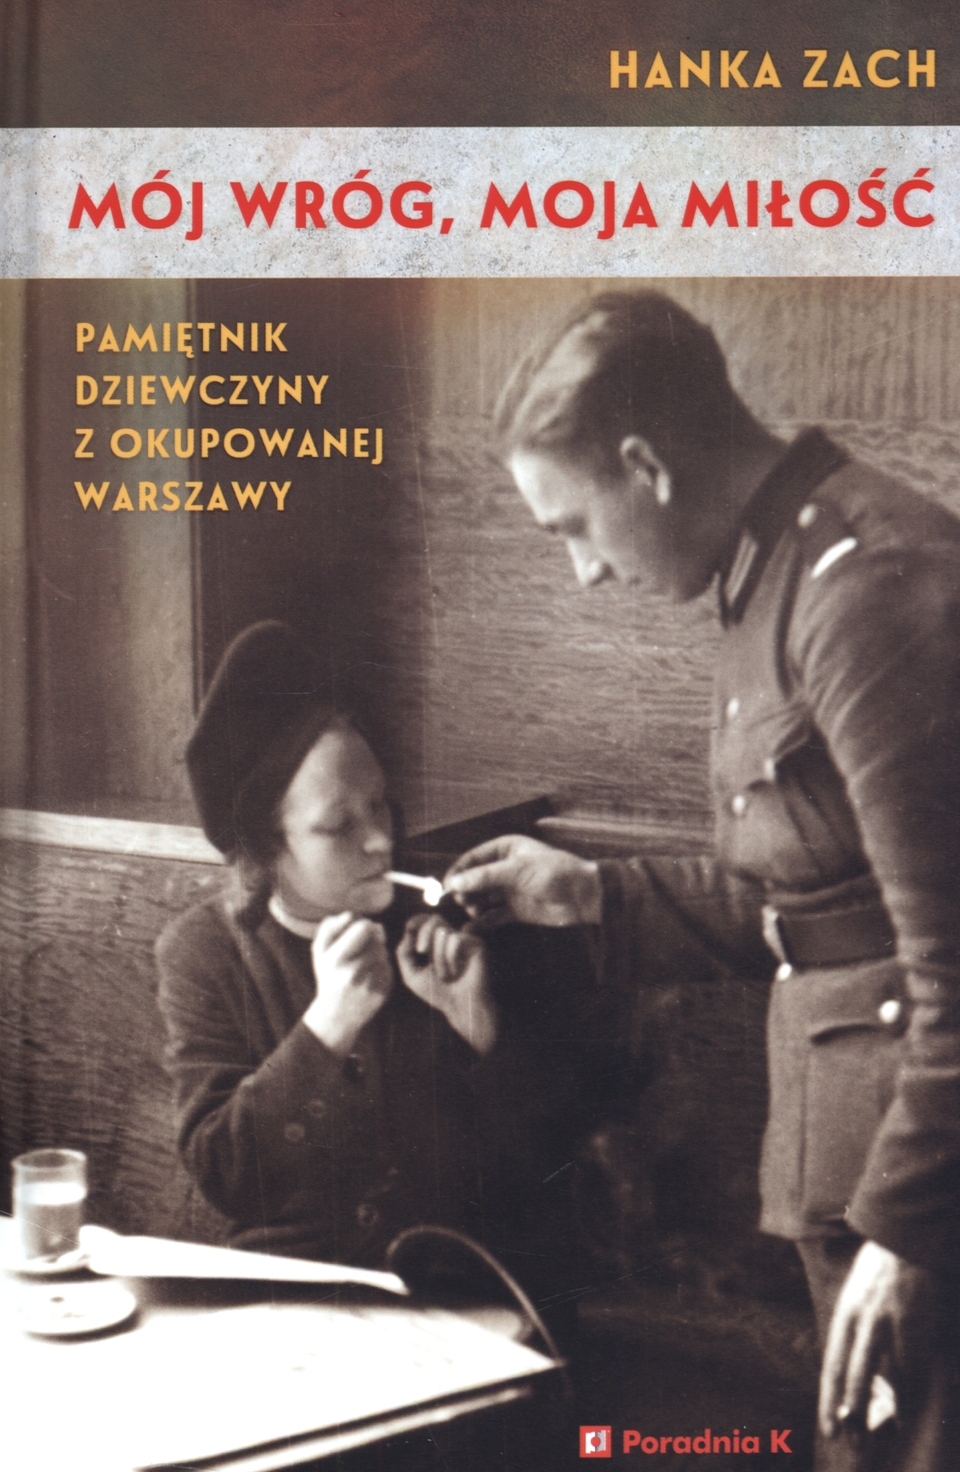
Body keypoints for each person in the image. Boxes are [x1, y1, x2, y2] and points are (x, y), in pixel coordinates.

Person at [444, 291, 960, 1471]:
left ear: (645, 465)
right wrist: (593, 894)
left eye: (576, 525)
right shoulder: (772, 578)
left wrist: (907, 1228)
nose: (582, 570)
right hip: (869, 1172)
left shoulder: (864, 587)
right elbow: (825, 907)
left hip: (922, 1192)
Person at [156, 621, 607, 1323]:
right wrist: (326, 1030)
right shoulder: (206, 952)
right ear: (266, 848)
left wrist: (482, 1027)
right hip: (296, 1301)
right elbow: (227, 1178)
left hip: (468, 1291)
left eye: (380, 806)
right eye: (339, 826)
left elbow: (552, 1158)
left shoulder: (456, 918)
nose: (379, 839)